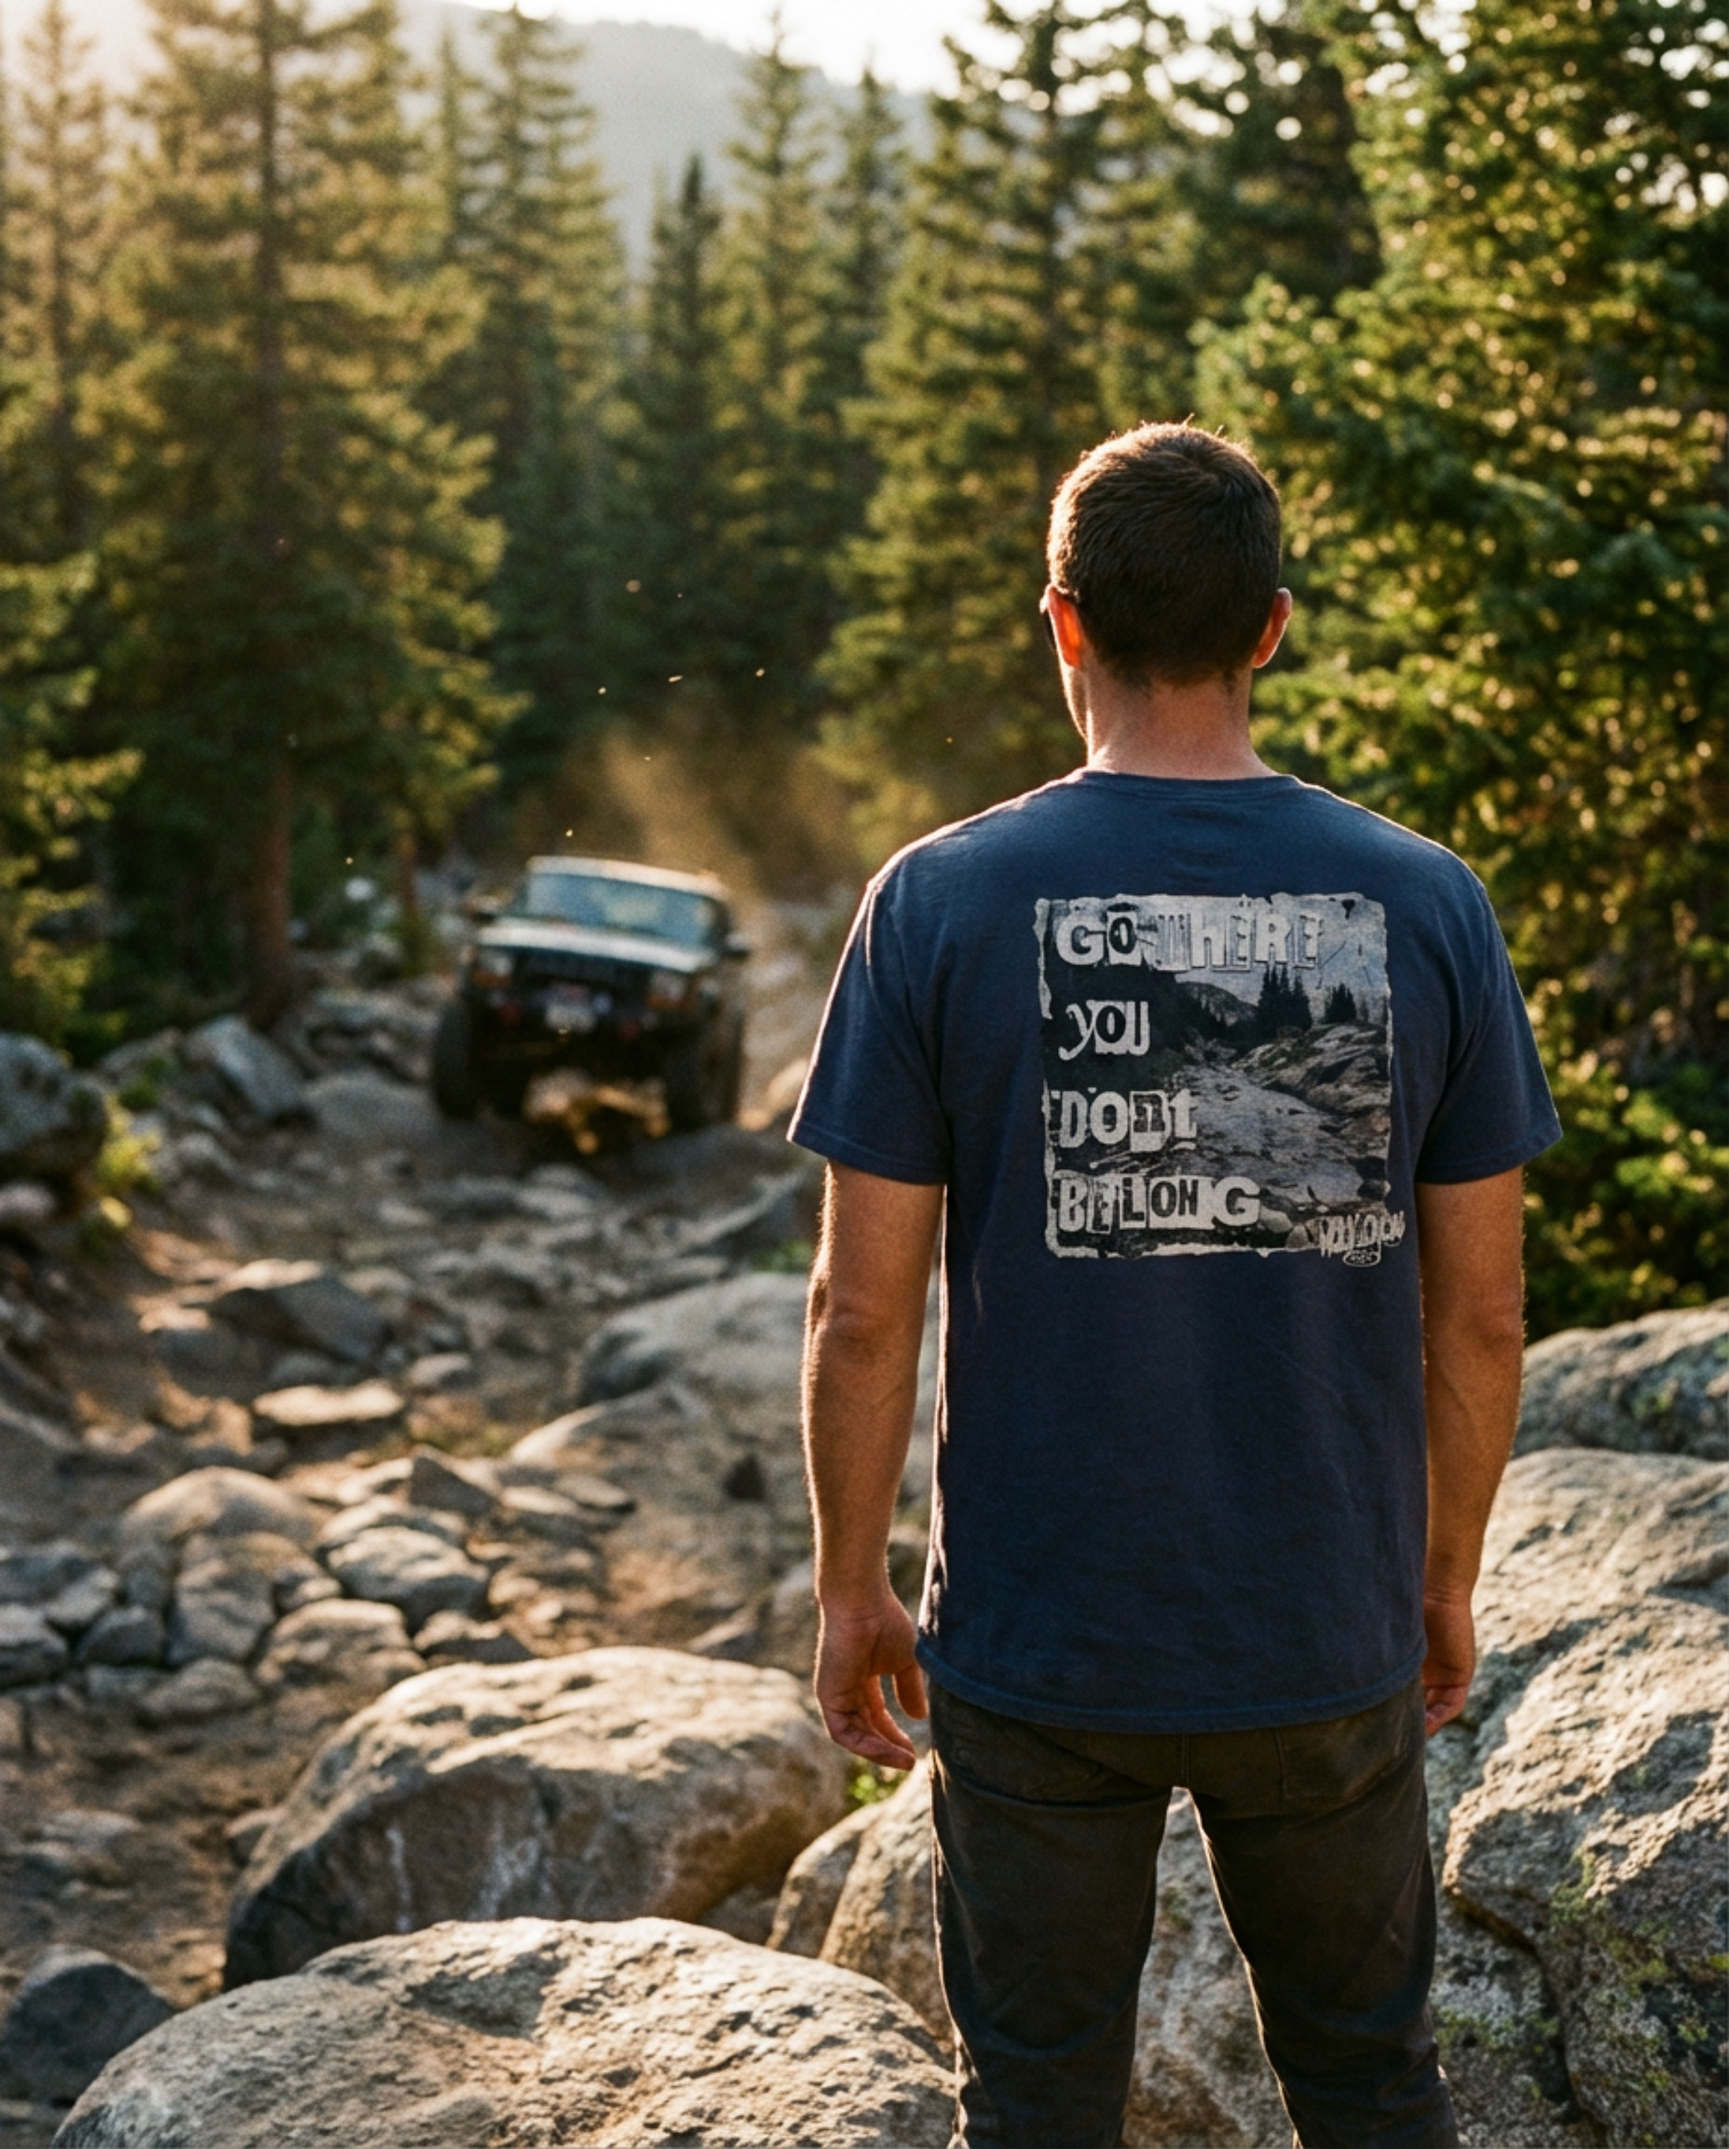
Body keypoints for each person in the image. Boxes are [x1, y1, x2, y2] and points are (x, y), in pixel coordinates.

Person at [789, 422, 1561, 2149]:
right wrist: (1439, 1577)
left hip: (1039, 1642)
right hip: (1324, 1622)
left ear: (1062, 622)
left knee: (1037, 2106)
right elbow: (1484, 1314)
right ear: (1271, 628)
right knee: (1373, 2087)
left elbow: (860, 1310)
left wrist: (850, 1589)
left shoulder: (939, 902)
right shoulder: (1427, 902)